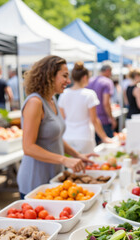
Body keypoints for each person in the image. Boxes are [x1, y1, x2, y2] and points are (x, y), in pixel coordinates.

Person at [17, 56, 97, 198]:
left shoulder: (52, 99)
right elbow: (28, 147)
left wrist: (77, 155)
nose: (68, 81)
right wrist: (64, 159)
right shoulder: (35, 102)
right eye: (64, 76)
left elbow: (56, 137)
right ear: (49, 76)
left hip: (53, 177)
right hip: (35, 180)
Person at [58, 62, 112, 153]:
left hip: (67, 136)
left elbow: (62, 118)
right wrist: (104, 137)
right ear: (85, 77)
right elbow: (94, 120)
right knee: (88, 165)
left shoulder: (64, 94)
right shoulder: (89, 94)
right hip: (84, 137)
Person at [87, 63, 116, 142]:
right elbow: (106, 103)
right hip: (103, 120)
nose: (111, 74)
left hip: (91, 119)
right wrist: (112, 118)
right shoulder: (107, 82)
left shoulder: (90, 81)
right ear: (107, 70)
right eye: (111, 71)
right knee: (108, 145)